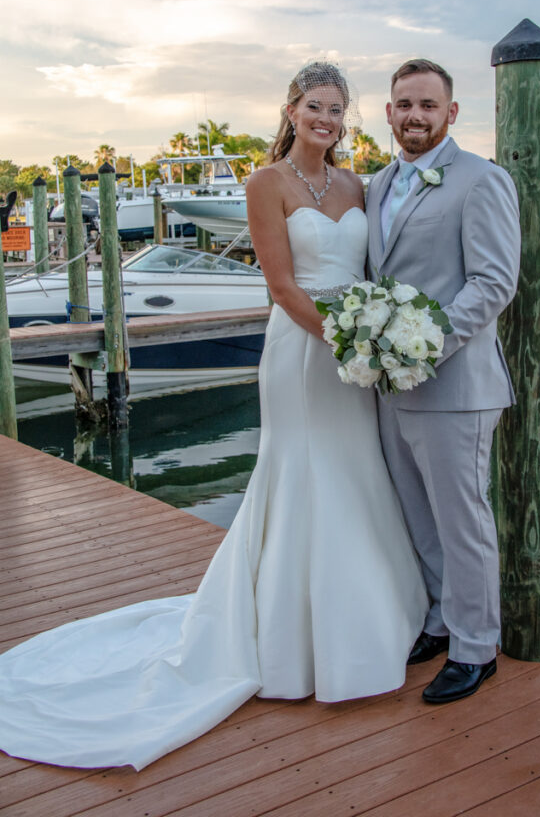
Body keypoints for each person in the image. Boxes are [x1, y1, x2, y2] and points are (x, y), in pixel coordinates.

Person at [0, 63, 428, 771]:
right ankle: (289, 638)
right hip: (304, 349)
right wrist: (350, 338)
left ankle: (371, 624)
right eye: (314, 106)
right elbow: (282, 286)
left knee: (357, 473)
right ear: (290, 110)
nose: (325, 118)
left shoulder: (358, 185)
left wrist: (378, 333)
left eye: (336, 110)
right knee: (303, 473)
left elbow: (376, 273)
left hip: (355, 352)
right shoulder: (266, 185)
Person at [365, 59, 520, 704]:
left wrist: (420, 346)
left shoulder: (481, 180)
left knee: (463, 522)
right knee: (418, 520)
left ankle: (477, 647)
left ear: (451, 113)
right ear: (390, 111)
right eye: (404, 104)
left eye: (428, 105)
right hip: (386, 389)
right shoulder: (376, 184)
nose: (415, 116)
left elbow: (493, 284)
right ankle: (438, 620)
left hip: (454, 384)